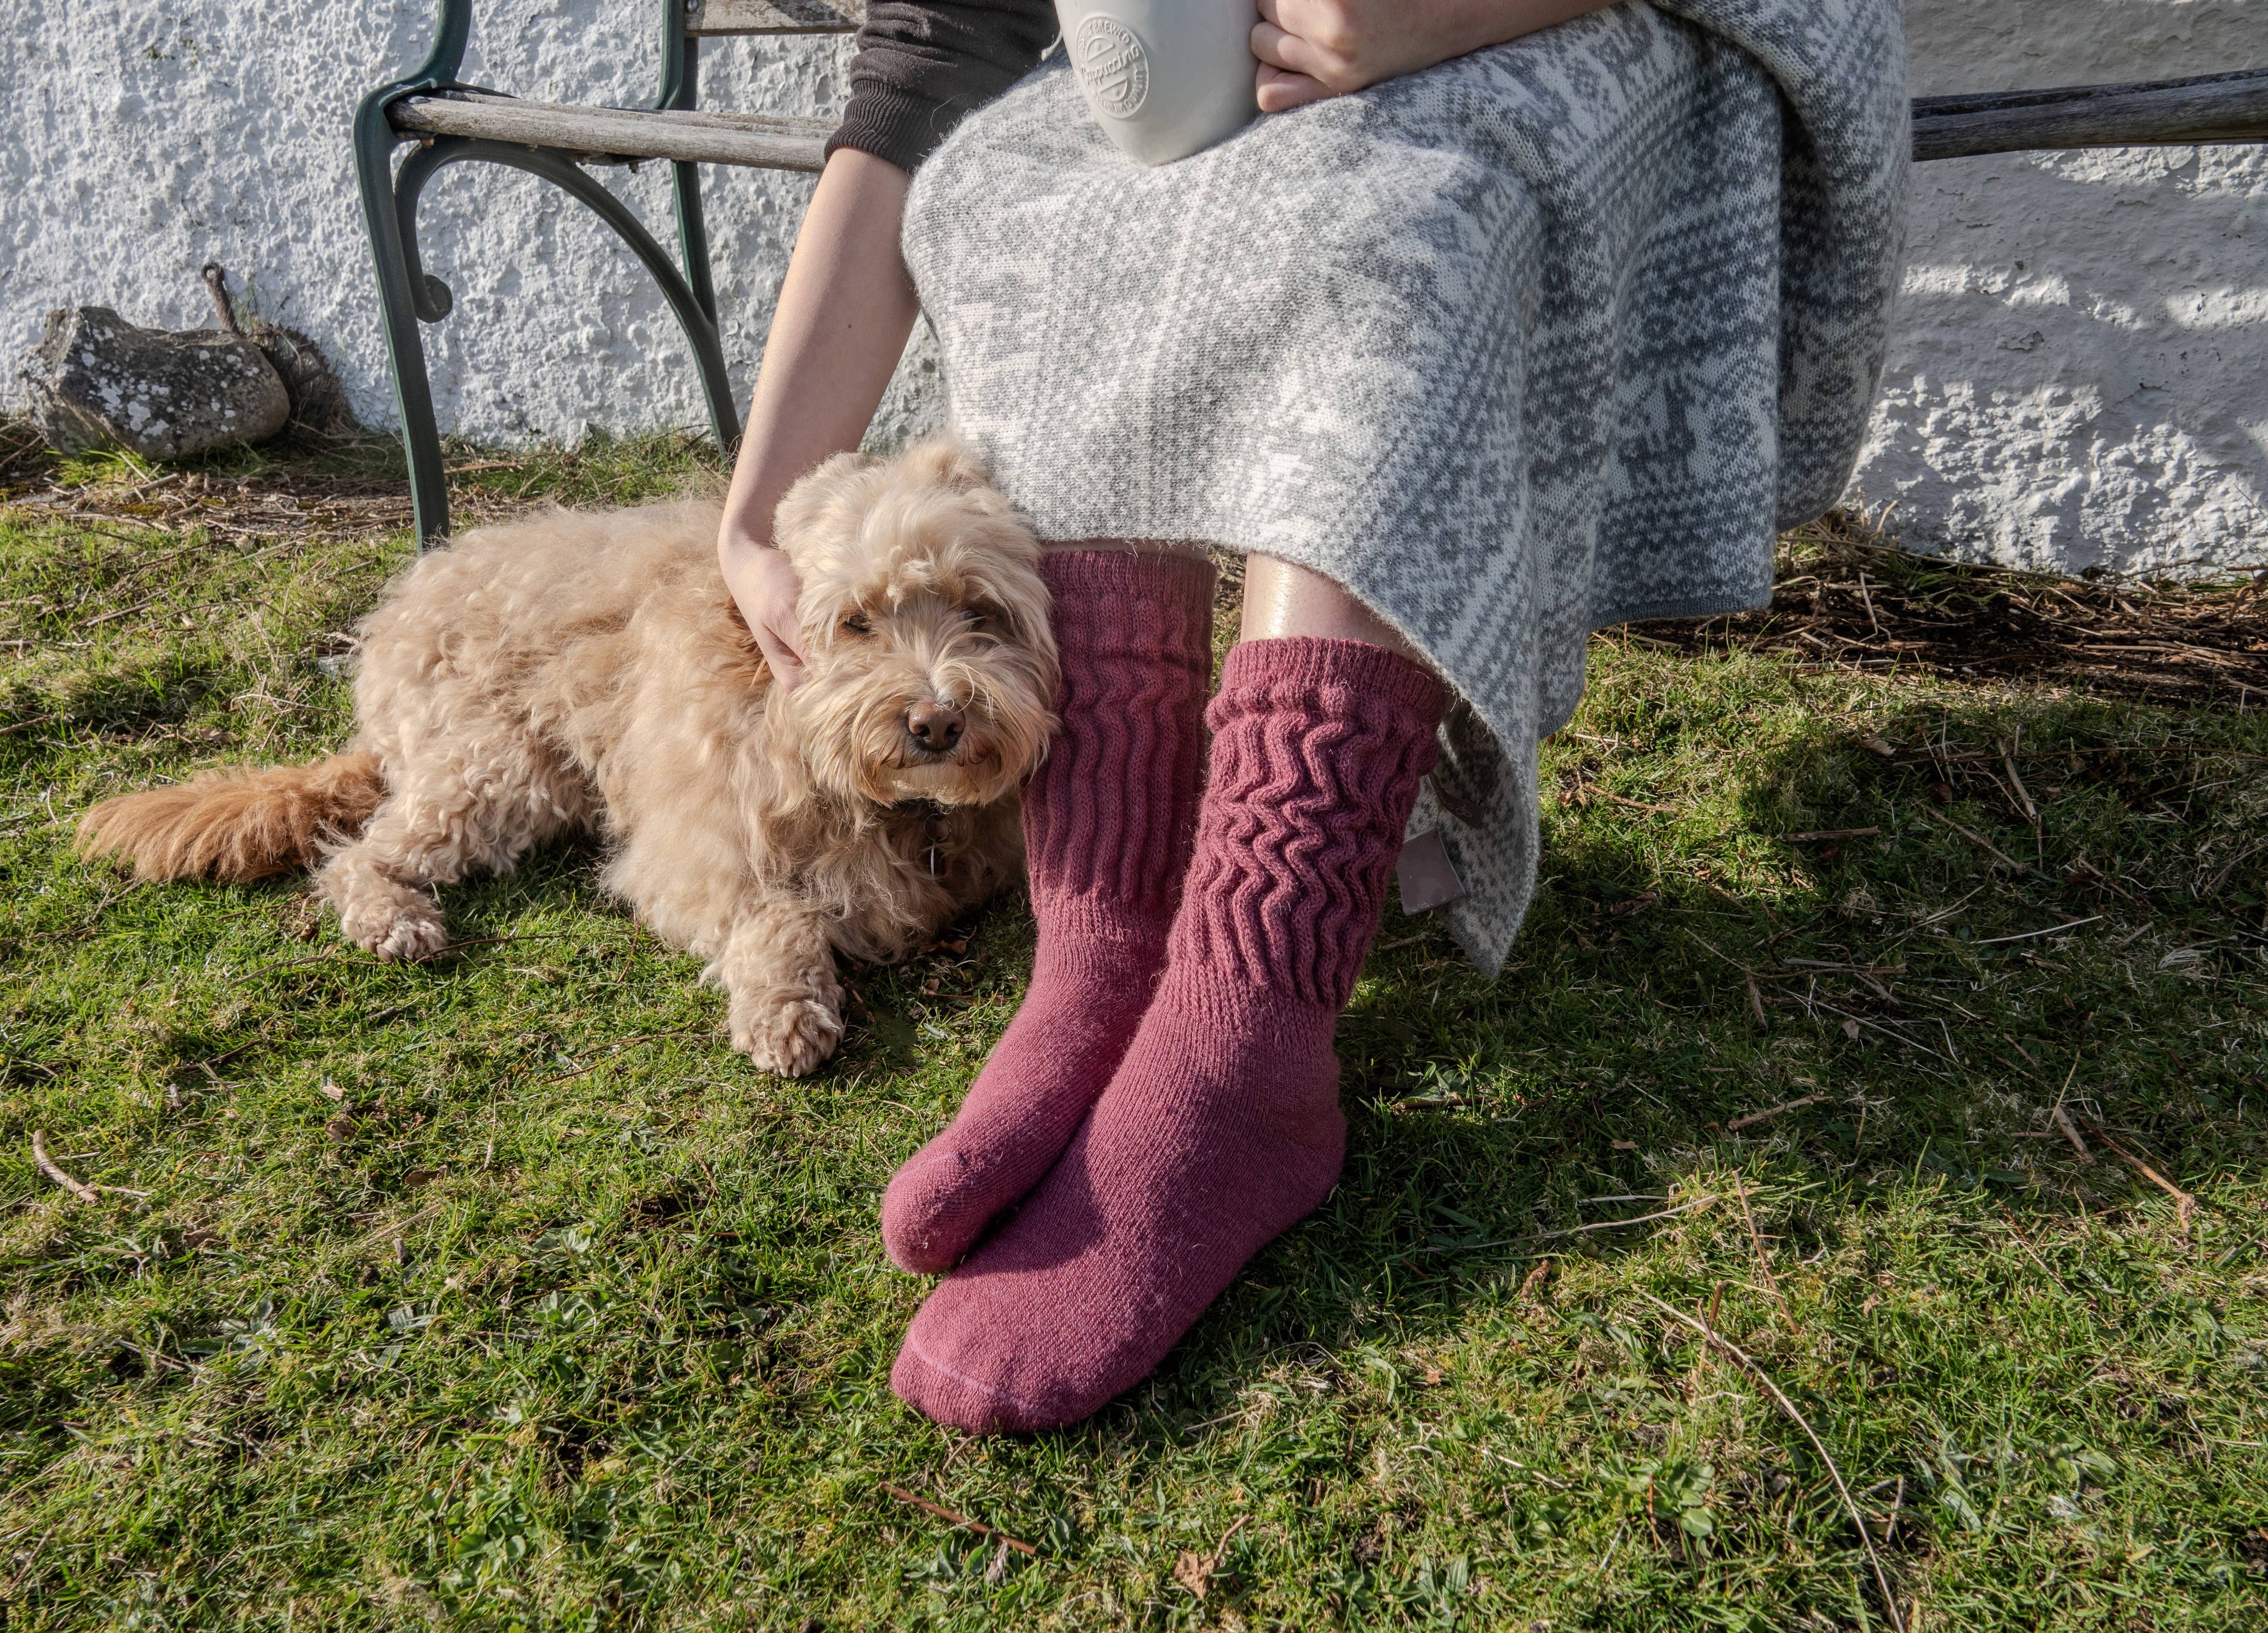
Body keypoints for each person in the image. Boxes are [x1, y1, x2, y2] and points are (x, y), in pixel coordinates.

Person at [716, 0, 1909, 1431]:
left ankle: (1247, 1040)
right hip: (1240, 75)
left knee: (1388, 226)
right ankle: (1106, 950)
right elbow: (939, 46)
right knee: (1014, 207)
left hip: (1603, 23)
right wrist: (757, 507)